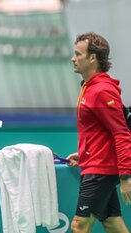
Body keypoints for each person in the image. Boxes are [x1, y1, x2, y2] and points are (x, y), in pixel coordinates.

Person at [67, 32, 131, 233]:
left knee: (79, 226)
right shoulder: (89, 88)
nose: (73, 58)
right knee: (113, 224)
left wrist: (125, 176)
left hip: (101, 171)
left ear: (93, 58)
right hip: (95, 165)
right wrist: (83, 154)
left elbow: (121, 133)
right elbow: (98, 132)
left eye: (78, 54)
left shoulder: (102, 91)